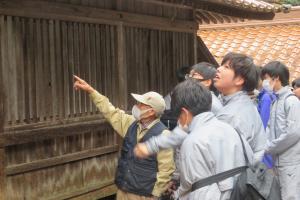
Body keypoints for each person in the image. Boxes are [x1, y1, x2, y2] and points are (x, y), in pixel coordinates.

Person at [73, 75, 175, 200]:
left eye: (141, 104)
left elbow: (166, 170)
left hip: (143, 195)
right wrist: (91, 91)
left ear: (151, 111)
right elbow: (110, 111)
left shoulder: (163, 135)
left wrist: (154, 195)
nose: (136, 106)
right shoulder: (130, 123)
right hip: (123, 190)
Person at [154, 80, 252, 199]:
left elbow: (193, 187)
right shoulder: (232, 130)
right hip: (239, 194)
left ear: (184, 113)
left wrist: (176, 195)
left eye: (179, 117)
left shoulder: (193, 141)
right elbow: (250, 160)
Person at [213, 52, 266, 163]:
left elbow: (225, 162)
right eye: (221, 65)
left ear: (239, 80)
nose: (218, 69)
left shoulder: (231, 115)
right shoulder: (244, 103)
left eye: (226, 67)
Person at [261, 61, 300, 200]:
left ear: (275, 78)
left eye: (265, 78)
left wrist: (269, 147)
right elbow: (270, 128)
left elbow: (293, 133)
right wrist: (264, 145)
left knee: (291, 197)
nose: (264, 82)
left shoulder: (291, 101)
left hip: (290, 162)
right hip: (277, 161)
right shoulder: (276, 101)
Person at [256, 67, 277, 168]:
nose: (266, 81)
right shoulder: (266, 96)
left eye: (267, 78)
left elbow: (263, 122)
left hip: (264, 138)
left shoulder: (266, 97)